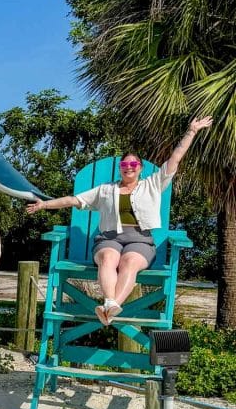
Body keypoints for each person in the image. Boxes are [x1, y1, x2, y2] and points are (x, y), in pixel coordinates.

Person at [26, 117, 213, 325]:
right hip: (109, 239)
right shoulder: (105, 190)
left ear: (140, 168)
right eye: (125, 164)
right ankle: (109, 304)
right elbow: (74, 200)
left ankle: (110, 307)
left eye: (133, 164)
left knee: (129, 263)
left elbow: (175, 158)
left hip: (140, 240)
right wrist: (44, 204)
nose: (129, 167)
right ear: (120, 168)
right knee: (108, 258)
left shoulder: (152, 184)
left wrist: (191, 131)